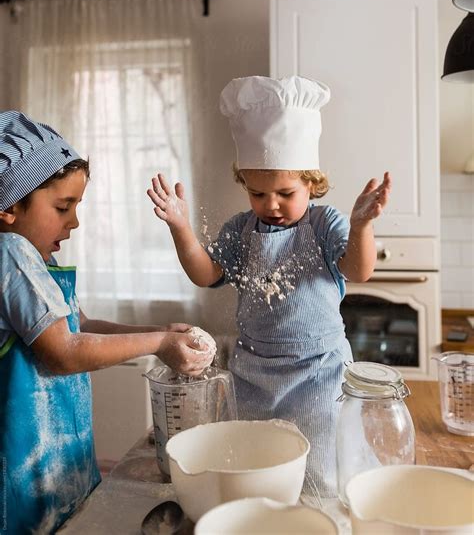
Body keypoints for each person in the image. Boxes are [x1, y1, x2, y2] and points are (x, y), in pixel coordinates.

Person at [147, 75, 391, 498]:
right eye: (258, 193)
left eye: (285, 192)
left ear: (312, 184)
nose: (271, 204)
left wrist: (361, 225)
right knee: (257, 471)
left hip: (319, 373)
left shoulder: (323, 223)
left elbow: (359, 269)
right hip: (254, 375)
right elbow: (205, 274)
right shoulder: (241, 230)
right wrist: (181, 228)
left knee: (321, 478)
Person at [0, 111, 216, 534]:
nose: (75, 221)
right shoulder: (11, 252)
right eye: (63, 206)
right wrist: (156, 344)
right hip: (24, 483)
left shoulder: (39, 259)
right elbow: (63, 352)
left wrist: (161, 333)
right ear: (8, 207)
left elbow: (80, 327)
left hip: (59, 469)